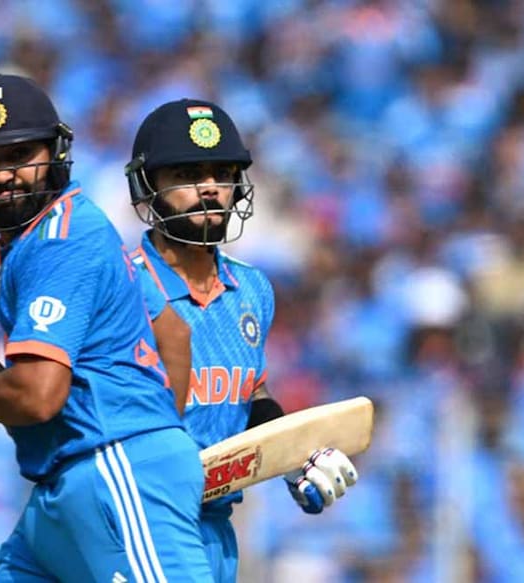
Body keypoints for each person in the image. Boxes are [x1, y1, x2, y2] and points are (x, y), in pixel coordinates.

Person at [0, 74, 213, 582]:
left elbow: (38, 397)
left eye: (20, 156)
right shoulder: (62, 233)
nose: (3, 177)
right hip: (68, 484)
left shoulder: (60, 242)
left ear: (55, 152)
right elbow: (171, 333)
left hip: (113, 472)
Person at [125, 98, 361, 582]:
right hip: (137, 520)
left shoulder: (252, 289)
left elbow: (250, 393)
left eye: (222, 173)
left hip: (215, 527)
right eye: (188, 175)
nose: (210, 189)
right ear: (148, 187)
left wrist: (297, 459)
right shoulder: (121, 287)